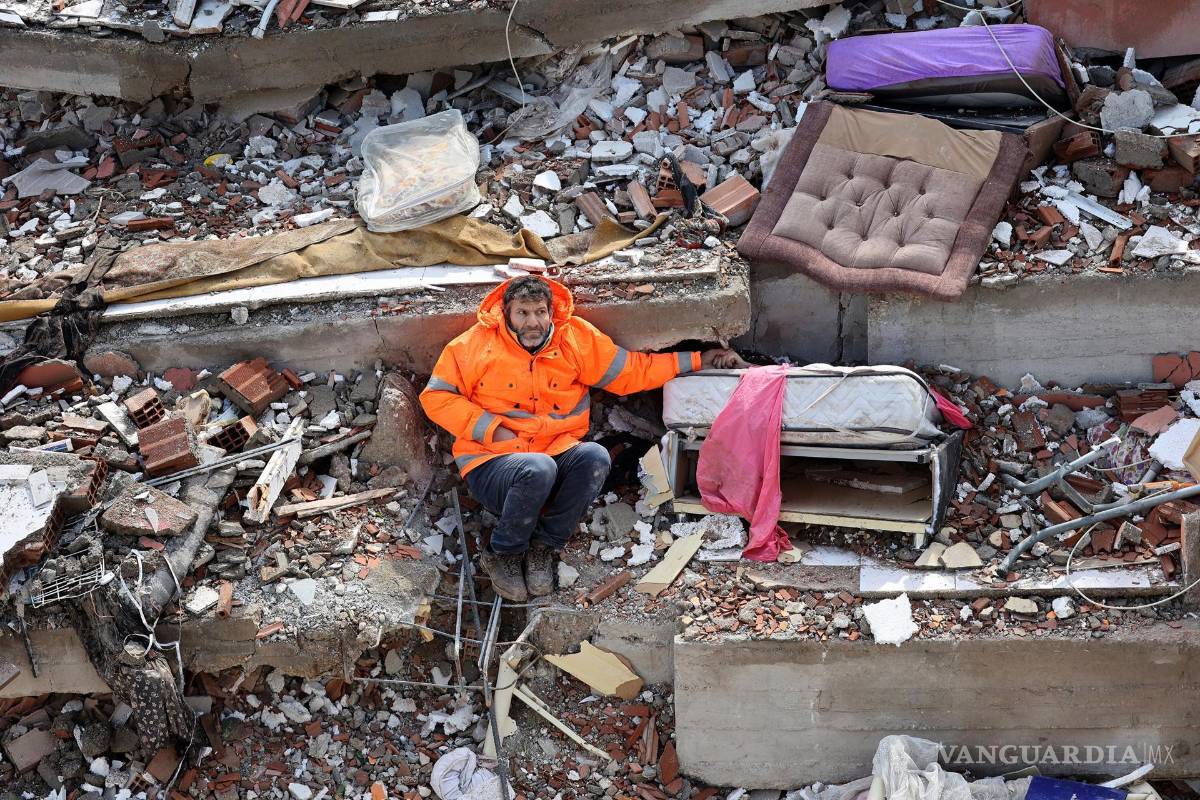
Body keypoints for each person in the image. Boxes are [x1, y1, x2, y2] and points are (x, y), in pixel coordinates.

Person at [419, 275, 745, 601]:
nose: (533, 322)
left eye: (540, 312)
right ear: (507, 314)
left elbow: (632, 371)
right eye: (523, 313)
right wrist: (492, 429)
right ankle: (503, 553)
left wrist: (702, 360)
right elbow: (436, 397)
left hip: (554, 455)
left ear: (550, 313)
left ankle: (544, 548)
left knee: (594, 457)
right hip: (492, 462)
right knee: (538, 468)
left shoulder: (573, 338)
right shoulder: (474, 344)